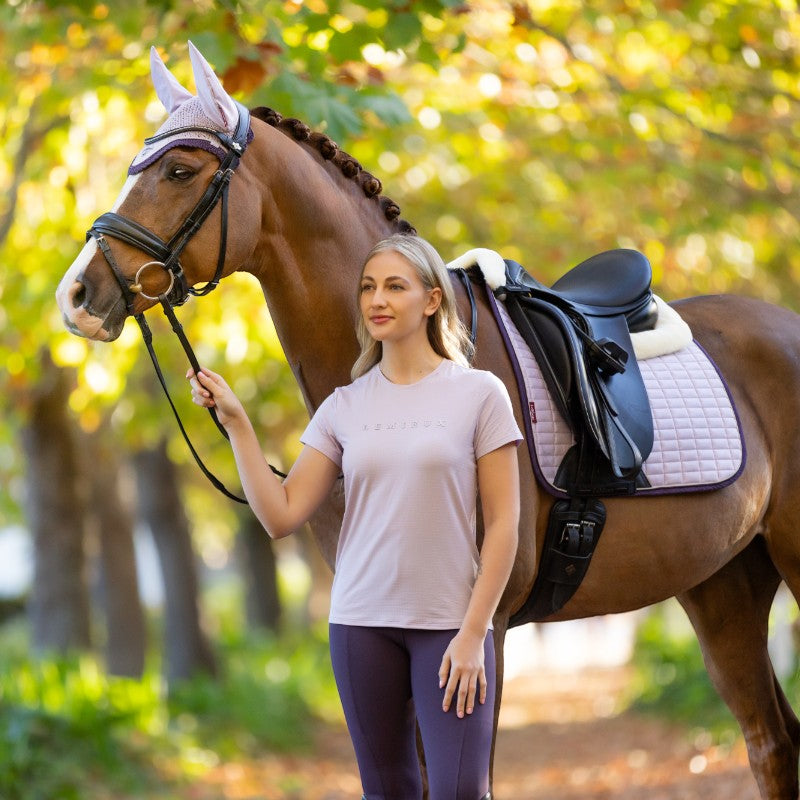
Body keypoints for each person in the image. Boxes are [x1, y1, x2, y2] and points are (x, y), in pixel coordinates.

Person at [188, 233, 521, 800]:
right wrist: (239, 425)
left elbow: (506, 524)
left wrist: (473, 634)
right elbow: (281, 513)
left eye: (396, 286)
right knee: (387, 790)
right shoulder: (344, 404)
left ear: (432, 300)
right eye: (368, 287)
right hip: (361, 624)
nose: (377, 300)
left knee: (462, 791)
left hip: (450, 626)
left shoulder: (479, 393)